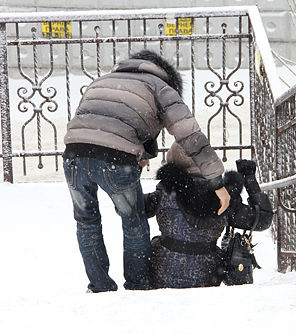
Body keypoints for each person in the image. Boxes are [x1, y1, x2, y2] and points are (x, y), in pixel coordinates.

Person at [62, 50, 230, 293]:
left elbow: (108, 123)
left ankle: (99, 287)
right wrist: (216, 180)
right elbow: (189, 135)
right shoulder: (160, 88)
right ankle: (138, 285)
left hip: (73, 156)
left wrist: (141, 156)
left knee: (86, 222)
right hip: (116, 159)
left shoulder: (100, 82)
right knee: (134, 222)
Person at [144, 142, 273, 289]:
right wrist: (249, 180)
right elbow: (263, 220)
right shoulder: (224, 198)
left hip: (164, 272)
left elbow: (128, 208)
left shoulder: (163, 193)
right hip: (208, 275)